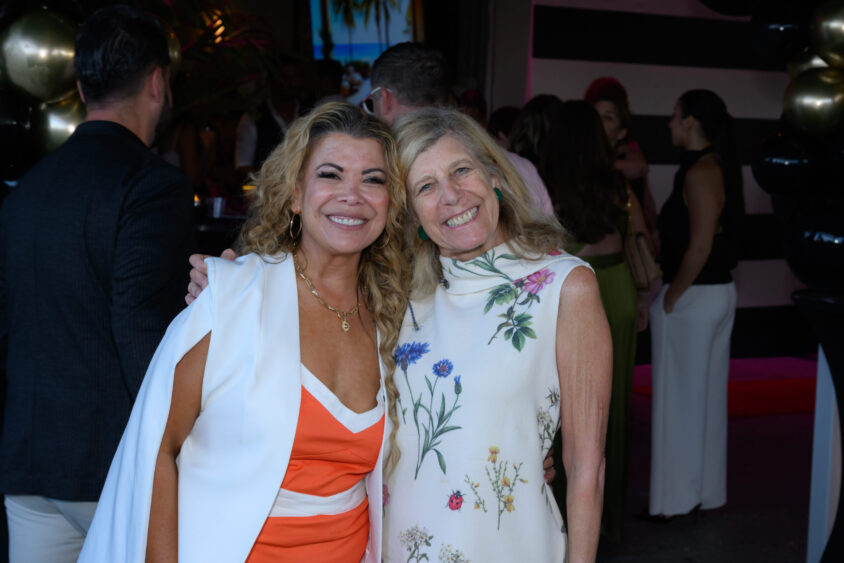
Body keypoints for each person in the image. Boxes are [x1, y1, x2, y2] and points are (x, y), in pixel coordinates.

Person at [78, 102, 408, 562]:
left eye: (374, 180)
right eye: (330, 175)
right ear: (295, 194)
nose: (352, 195)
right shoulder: (232, 297)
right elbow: (157, 447)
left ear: (390, 203)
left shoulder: (396, 318)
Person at [0, 6, 194, 563]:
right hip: (115, 463)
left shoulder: (25, 191)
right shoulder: (153, 186)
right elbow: (140, 330)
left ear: (82, 87)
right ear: (158, 82)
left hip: (31, 463)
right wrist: (184, 447)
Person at [383, 107, 611, 562]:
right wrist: (230, 284)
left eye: (461, 170)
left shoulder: (565, 286)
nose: (451, 195)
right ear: (409, 214)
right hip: (398, 544)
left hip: (509, 545)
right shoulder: (394, 296)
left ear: (495, 176)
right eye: (425, 186)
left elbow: (586, 465)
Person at [539, 100, 646, 543]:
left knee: (564, 410)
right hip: (617, 286)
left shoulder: (546, 184)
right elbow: (636, 232)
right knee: (610, 411)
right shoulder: (616, 181)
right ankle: (606, 524)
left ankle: (564, 521)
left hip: (569, 291)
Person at [648, 89, 744, 520]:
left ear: (690, 123)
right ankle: (702, 494)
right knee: (702, 401)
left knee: (682, 403)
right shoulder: (710, 167)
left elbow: (701, 245)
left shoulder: (701, 170)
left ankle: (678, 501)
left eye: (674, 115)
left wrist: (670, 297)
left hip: (697, 296)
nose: (669, 124)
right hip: (712, 294)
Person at [362, 42, 555, 216]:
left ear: (385, 98)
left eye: (462, 171)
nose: (451, 196)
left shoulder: (380, 174)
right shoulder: (518, 166)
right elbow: (549, 241)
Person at [584, 77, 659, 255]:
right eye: (596, 117)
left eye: (608, 118)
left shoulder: (629, 159)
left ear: (621, 131)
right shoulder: (578, 161)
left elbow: (647, 211)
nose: (600, 124)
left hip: (627, 256)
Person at [234, 57, 301, 183]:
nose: (291, 83)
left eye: (295, 77)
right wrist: (271, 187)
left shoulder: (310, 113)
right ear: (272, 80)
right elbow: (243, 166)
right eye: (285, 77)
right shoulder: (253, 119)